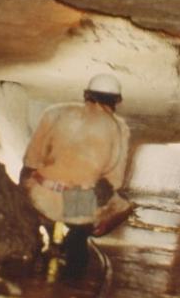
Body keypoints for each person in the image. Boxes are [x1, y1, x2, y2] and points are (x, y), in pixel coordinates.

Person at [19, 73, 133, 268]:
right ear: (117, 101)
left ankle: (47, 236)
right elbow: (115, 179)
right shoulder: (119, 127)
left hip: (42, 194)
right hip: (78, 199)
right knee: (123, 207)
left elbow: (31, 159)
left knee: (41, 203)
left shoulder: (54, 112)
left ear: (86, 94)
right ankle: (75, 245)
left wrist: (24, 189)